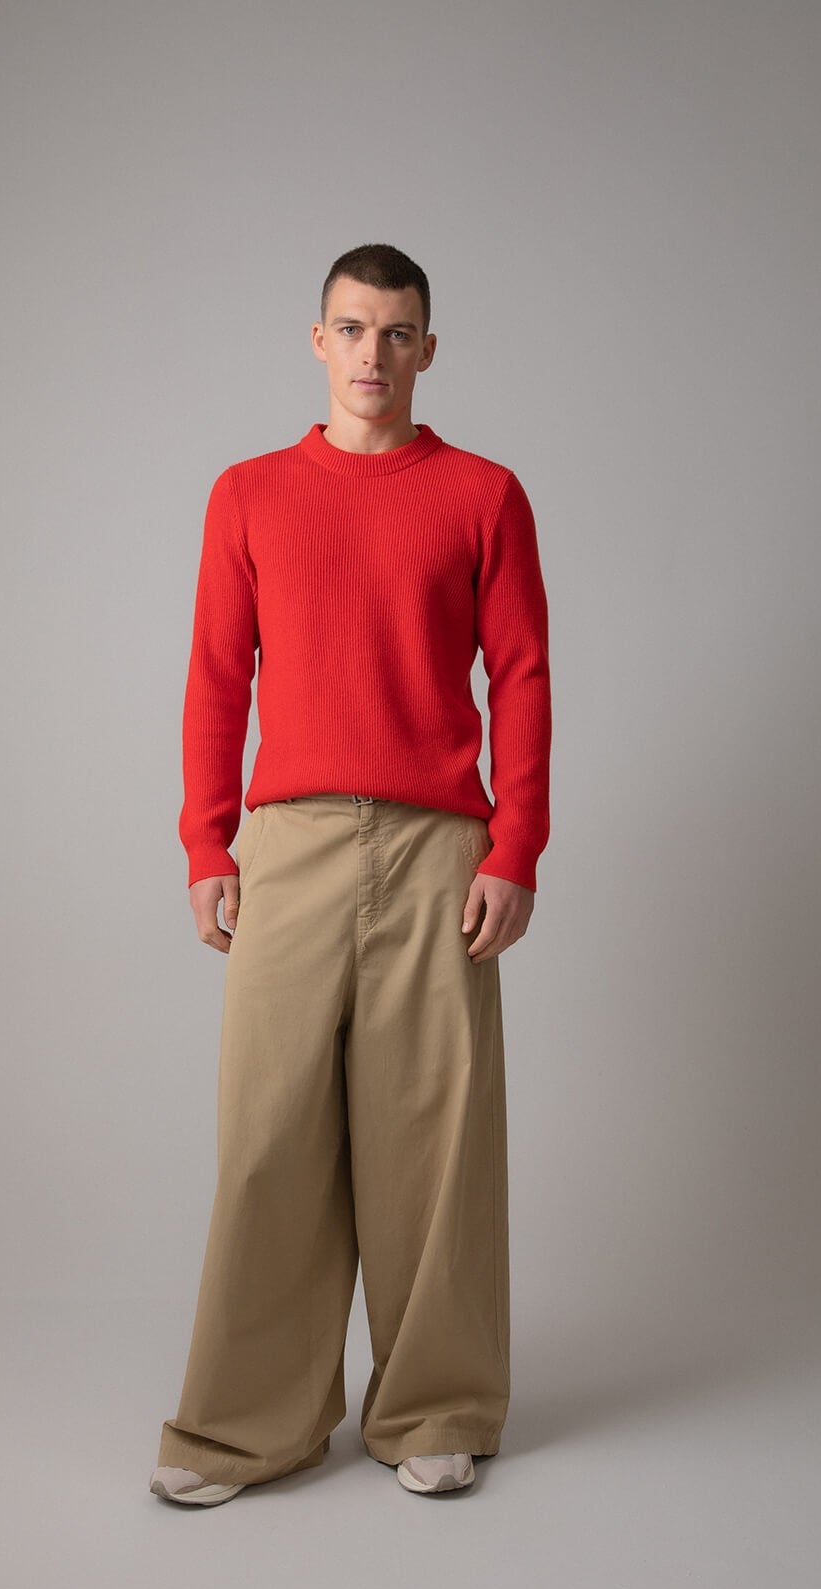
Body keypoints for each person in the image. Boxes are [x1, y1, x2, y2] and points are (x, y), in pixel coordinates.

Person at [150, 242, 551, 1505]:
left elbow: (522, 677)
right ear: (317, 341)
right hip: (293, 845)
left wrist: (516, 849)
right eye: (352, 328)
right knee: (267, 1135)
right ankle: (242, 1427)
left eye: (397, 332)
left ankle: (436, 1405)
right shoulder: (249, 495)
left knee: (435, 1137)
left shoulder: (484, 495)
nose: (373, 353)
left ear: (428, 349)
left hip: (439, 848)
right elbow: (218, 676)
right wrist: (207, 842)